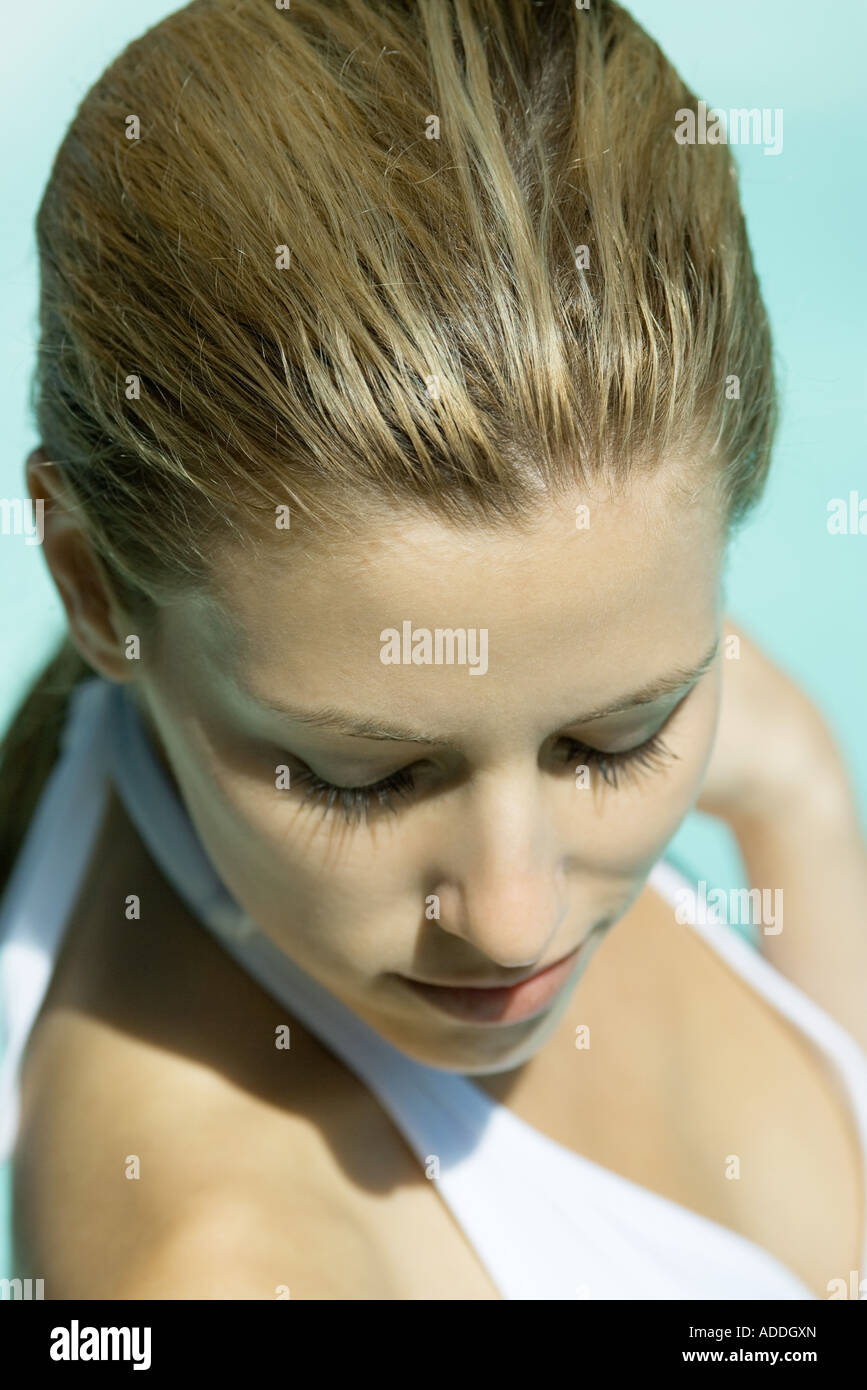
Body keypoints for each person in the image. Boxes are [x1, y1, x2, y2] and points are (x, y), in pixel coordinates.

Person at [1, 0, 865, 1301]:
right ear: (91, 581)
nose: (515, 918)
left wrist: (798, 799)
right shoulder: (228, 1264)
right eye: (367, 776)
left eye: (616, 736)